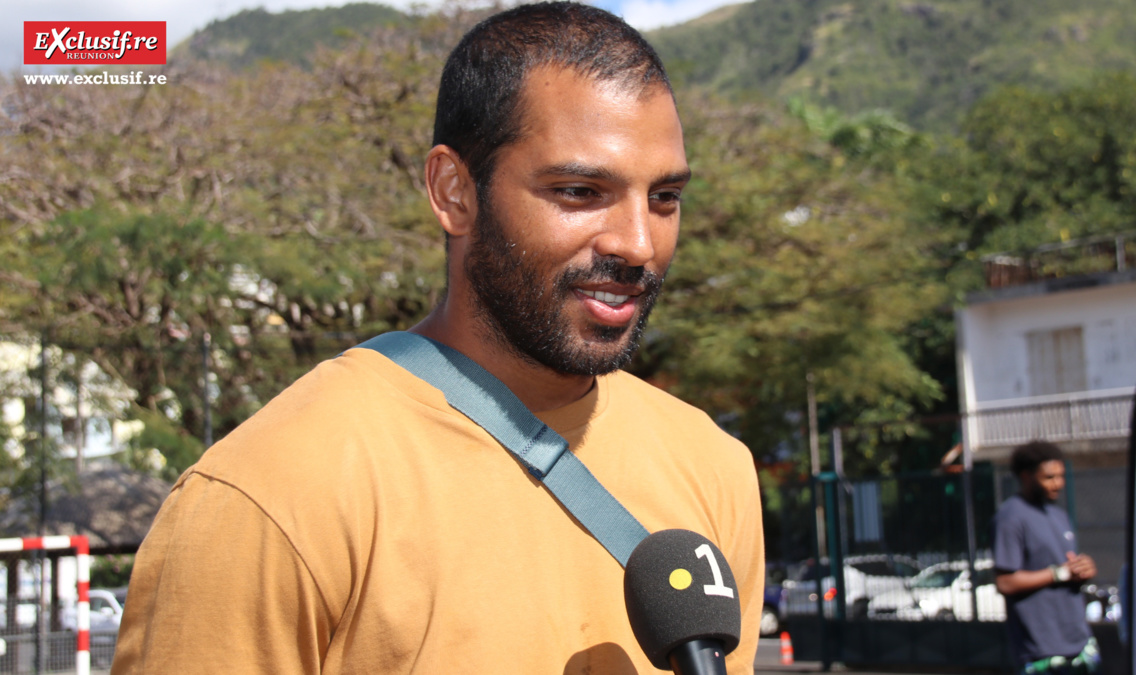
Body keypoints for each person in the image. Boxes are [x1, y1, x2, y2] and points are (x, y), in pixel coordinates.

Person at [111, 3, 765, 673]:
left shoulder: (713, 467)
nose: (638, 243)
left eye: (665, 198)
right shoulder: (269, 495)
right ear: (454, 191)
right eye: (578, 190)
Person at [993, 440, 1099, 675]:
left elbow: (1068, 568)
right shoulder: (1010, 517)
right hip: (1043, 653)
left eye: (1060, 476)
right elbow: (1005, 582)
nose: (1058, 483)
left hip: (1081, 644)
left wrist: (1084, 569)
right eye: (1049, 477)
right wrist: (1059, 573)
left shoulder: (1059, 515)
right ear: (1026, 476)